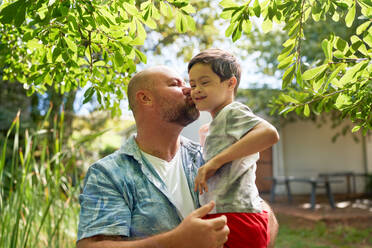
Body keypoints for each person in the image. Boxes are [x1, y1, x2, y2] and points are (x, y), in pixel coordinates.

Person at [76, 65, 277, 248]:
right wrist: (176, 241)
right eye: (176, 84)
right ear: (145, 98)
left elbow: (262, 211)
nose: (190, 90)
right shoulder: (109, 173)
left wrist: (254, 235)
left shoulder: (207, 157)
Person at [188, 49, 280, 248]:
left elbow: (269, 133)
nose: (196, 90)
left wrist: (215, 162)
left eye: (204, 82)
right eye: (192, 84)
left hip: (237, 213)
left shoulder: (232, 111)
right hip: (223, 211)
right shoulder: (213, 125)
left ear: (230, 83)